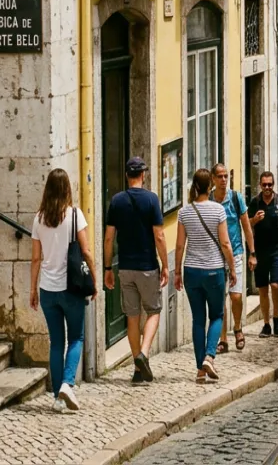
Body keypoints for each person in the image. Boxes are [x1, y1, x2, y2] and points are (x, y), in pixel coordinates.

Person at [30, 169, 96, 412]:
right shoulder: (76, 215)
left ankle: (58, 399)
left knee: (56, 343)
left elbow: (35, 259)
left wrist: (32, 289)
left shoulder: (38, 219)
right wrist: (94, 281)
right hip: (72, 288)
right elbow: (87, 251)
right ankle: (68, 384)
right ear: (68, 188)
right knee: (76, 337)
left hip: (48, 289)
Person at [104, 156, 169, 384]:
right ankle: (144, 353)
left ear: (126, 176)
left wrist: (107, 268)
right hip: (147, 266)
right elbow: (159, 236)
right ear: (143, 174)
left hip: (125, 267)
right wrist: (166, 265)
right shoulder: (151, 199)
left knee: (132, 318)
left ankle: (138, 370)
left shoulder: (116, 201)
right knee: (153, 311)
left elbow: (109, 237)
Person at [174, 169, 236, 384]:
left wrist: (177, 272)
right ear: (210, 186)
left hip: (191, 271)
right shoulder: (218, 210)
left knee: (198, 320)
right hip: (214, 271)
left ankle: (200, 368)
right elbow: (226, 244)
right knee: (217, 315)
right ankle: (210, 356)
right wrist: (233, 269)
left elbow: (180, 245)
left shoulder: (184, 212)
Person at [213, 163, 253, 354]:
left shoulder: (236, 198)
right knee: (220, 299)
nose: (223, 180)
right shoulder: (210, 201)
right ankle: (223, 340)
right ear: (213, 179)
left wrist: (252, 253)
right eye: (219, 177)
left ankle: (237, 327)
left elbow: (246, 226)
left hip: (235, 252)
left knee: (235, 297)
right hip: (216, 255)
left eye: (225, 177)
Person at [249, 171, 278, 337]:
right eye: (264, 185)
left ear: (273, 185)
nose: (267, 188)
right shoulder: (255, 202)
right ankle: (266, 324)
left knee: (275, 285)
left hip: (276, 249)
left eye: (270, 184)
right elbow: (247, 225)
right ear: (260, 185)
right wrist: (255, 220)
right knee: (262, 289)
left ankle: (276, 317)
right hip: (259, 250)